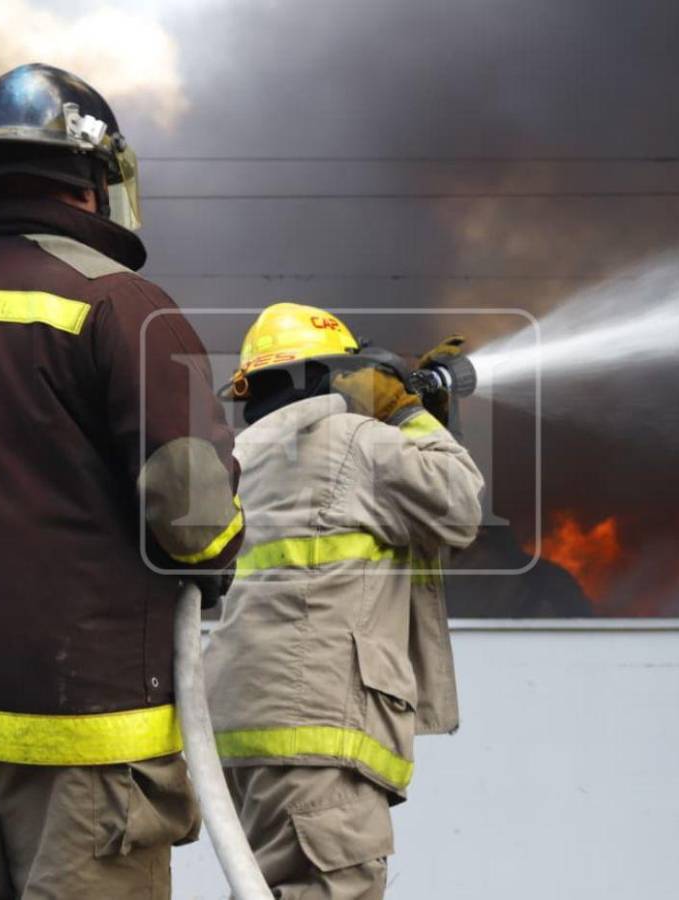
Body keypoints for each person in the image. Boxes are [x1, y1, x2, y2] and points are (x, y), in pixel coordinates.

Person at [0, 63, 244, 899]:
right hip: (86, 725)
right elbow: (192, 513)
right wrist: (220, 553)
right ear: (94, 182)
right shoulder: (123, 306)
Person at [203, 302, 484, 898]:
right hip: (318, 735)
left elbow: (419, 524)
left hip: (246, 730)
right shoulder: (350, 440)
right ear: (334, 375)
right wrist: (409, 411)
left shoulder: (243, 459)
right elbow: (459, 503)